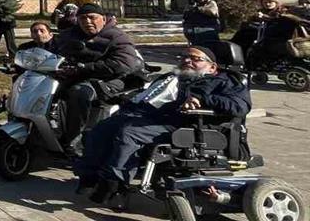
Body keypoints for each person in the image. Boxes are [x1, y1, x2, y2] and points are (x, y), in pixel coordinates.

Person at [76, 45, 250, 202]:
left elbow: (240, 106)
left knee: (129, 133)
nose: (187, 61)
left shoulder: (227, 81)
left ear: (212, 67)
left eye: (195, 58)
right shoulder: (178, 78)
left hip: (194, 128)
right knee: (103, 128)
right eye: (184, 57)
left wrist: (203, 99)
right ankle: (90, 177)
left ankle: (113, 183)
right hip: (166, 119)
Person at [53, 4, 144, 152]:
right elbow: (52, 50)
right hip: (75, 75)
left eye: (92, 17)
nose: (87, 21)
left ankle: (75, 140)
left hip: (112, 80)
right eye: (82, 18)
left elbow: (123, 64)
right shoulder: (69, 35)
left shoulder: (117, 37)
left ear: (103, 18)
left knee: (79, 92)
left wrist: (84, 68)